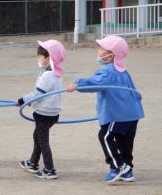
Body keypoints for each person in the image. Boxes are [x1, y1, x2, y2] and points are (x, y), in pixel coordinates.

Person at [67, 35, 145, 183]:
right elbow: (133, 90)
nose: (98, 51)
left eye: (102, 49)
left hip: (119, 114)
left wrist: (78, 84)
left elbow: (94, 83)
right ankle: (128, 170)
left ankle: (118, 166)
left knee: (105, 136)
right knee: (124, 142)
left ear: (111, 55)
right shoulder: (122, 69)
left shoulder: (108, 71)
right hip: (133, 114)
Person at [16, 40, 66, 180]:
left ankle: (50, 169)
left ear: (49, 58)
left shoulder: (47, 75)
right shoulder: (57, 73)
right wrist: (31, 101)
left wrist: (22, 101)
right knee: (38, 136)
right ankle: (33, 162)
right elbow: (43, 95)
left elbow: (37, 95)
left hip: (44, 114)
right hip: (52, 113)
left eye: (40, 56)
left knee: (42, 140)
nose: (38, 59)